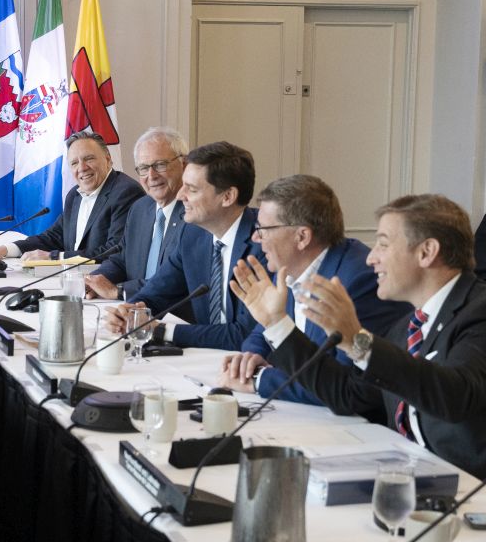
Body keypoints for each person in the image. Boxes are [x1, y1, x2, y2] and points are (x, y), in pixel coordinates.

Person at [231, 194, 486, 478]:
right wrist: (277, 324)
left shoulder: (478, 312)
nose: (371, 257)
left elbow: (456, 395)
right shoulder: (407, 326)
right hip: (405, 478)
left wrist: (357, 341)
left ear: (426, 252)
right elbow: (349, 395)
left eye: (384, 244)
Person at [218, 175, 409, 403]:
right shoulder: (287, 268)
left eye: (264, 229)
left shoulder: (356, 282)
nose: (256, 237)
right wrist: (251, 357)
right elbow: (265, 328)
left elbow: (342, 386)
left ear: (302, 237)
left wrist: (260, 380)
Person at [105, 141, 264, 351]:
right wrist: (131, 311)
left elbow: (244, 334)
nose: (180, 196)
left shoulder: (263, 246)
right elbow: (157, 293)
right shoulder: (193, 235)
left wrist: (163, 331)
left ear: (228, 196)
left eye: (192, 189)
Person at [0, 130, 142, 262]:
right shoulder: (74, 195)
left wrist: (55, 258)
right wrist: (7, 249)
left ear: (108, 159)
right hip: (72, 279)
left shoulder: (125, 192)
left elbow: (114, 250)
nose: (82, 168)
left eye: (89, 159)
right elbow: (53, 237)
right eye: (74, 163)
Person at [84, 127, 190, 301]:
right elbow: (122, 260)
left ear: (184, 165)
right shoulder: (140, 209)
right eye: (143, 168)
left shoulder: (195, 214)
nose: (151, 175)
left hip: (175, 317)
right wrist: (96, 280)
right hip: (133, 312)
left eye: (160, 165)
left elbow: (178, 281)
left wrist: (119, 291)